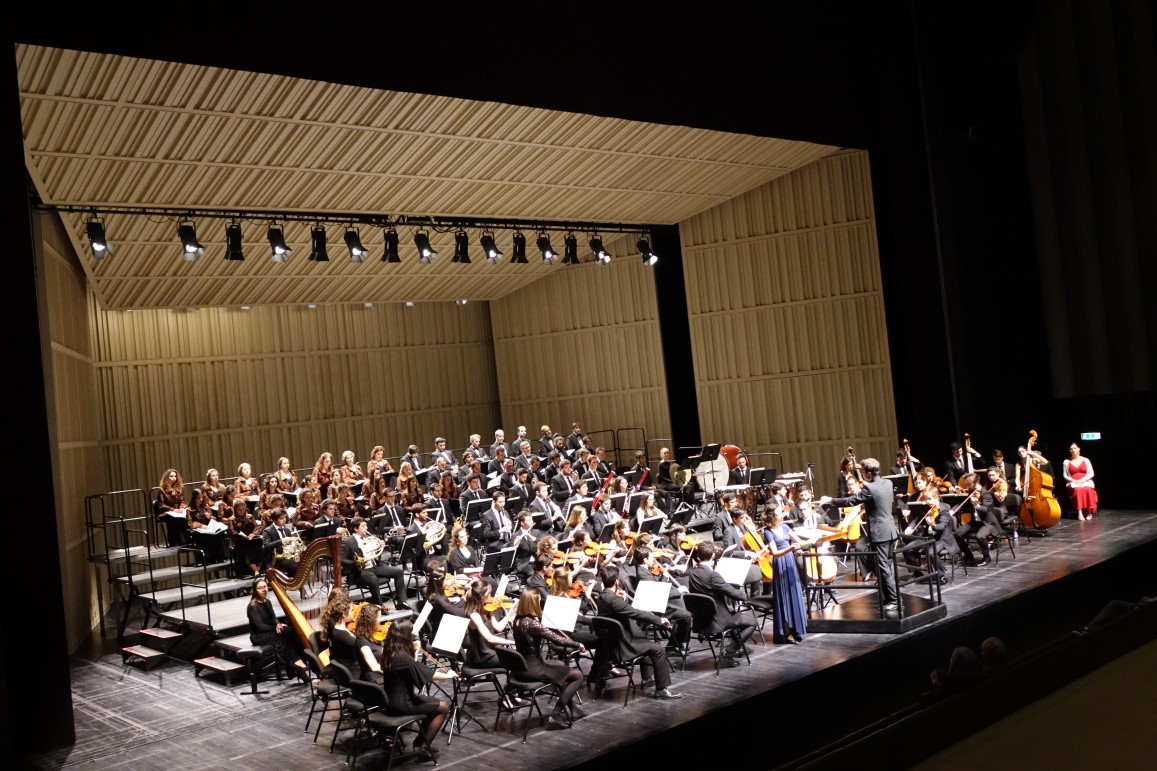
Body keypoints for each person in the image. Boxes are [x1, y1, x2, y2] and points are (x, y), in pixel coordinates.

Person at [821, 457, 901, 610]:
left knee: (883, 567)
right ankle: (889, 597)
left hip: (879, 533)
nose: (862, 474)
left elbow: (850, 501)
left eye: (863, 472)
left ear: (868, 473)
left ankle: (894, 600)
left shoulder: (869, 488)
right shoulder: (888, 483)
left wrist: (831, 500)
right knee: (887, 567)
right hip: (890, 530)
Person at [595, 567, 682, 699]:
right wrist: (660, 620)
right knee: (658, 650)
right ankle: (661, 689)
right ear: (617, 581)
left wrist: (623, 599)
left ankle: (647, 678)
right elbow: (635, 613)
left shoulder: (602, 597)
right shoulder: (614, 600)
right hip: (625, 644)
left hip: (612, 644)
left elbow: (619, 611)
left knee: (646, 643)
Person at [380, 619, 457, 761]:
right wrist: (448, 675)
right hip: (403, 703)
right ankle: (423, 747)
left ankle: (420, 742)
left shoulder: (389, 651)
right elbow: (427, 673)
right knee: (443, 707)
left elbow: (412, 666)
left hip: (391, 700)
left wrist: (414, 651)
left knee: (433, 702)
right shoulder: (402, 657)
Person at [512, 588, 589, 728]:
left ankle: (573, 710)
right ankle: (555, 715)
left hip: (521, 667)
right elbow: (557, 639)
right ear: (533, 603)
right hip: (533, 669)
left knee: (561, 667)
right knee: (577, 675)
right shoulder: (532, 624)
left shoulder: (517, 620)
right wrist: (577, 644)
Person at [686, 542, 757, 665]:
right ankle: (729, 653)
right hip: (717, 619)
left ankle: (740, 646)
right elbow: (733, 594)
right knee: (752, 622)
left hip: (701, 618)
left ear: (697, 556)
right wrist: (744, 595)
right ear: (713, 556)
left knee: (732, 613)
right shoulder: (713, 575)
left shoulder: (692, 573)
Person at [341, 517, 410, 610]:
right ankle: (379, 606)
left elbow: (376, 555)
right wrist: (356, 563)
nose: (366, 528)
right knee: (373, 579)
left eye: (366, 525)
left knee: (398, 571)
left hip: (375, 566)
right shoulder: (347, 541)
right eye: (363, 526)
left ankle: (401, 602)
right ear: (356, 528)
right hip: (360, 570)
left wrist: (380, 547)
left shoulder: (369, 538)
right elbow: (342, 560)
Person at [761, 506, 807, 644]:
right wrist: (791, 548)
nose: (782, 515)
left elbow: (798, 541)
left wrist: (799, 548)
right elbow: (775, 553)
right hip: (780, 563)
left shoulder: (785, 527)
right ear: (772, 517)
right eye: (779, 514)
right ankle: (786, 633)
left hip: (790, 562)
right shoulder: (768, 532)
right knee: (784, 598)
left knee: (794, 594)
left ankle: (795, 629)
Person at [246, 576, 305, 677]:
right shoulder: (253, 606)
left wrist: (278, 624)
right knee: (280, 637)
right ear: (255, 590)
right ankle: (295, 663)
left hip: (270, 631)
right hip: (258, 636)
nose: (263, 589)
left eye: (265, 586)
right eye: (260, 588)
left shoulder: (267, 602)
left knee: (291, 631)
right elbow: (260, 627)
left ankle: (299, 661)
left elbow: (273, 618)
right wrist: (276, 628)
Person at [461, 578, 516, 669]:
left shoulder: (486, 608)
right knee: (517, 661)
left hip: (491, 651)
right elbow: (489, 638)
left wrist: (509, 612)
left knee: (519, 658)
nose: (490, 596)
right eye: (488, 594)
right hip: (483, 657)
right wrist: (513, 642)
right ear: (481, 596)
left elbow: (498, 628)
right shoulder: (474, 614)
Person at [1063, 443, 1099, 520]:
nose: (1073, 450)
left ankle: (1089, 511)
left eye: (1074, 448)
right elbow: (1065, 475)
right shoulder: (1066, 461)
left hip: (1085, 480)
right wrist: (1074, 481)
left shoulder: (1086, 460)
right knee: (1077, 490)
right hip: (1073, 482)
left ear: (1079, 449)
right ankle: (1079, 512)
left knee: (1088, 489)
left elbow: (1091, 473)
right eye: (1071, 449)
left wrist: (1082, 480)